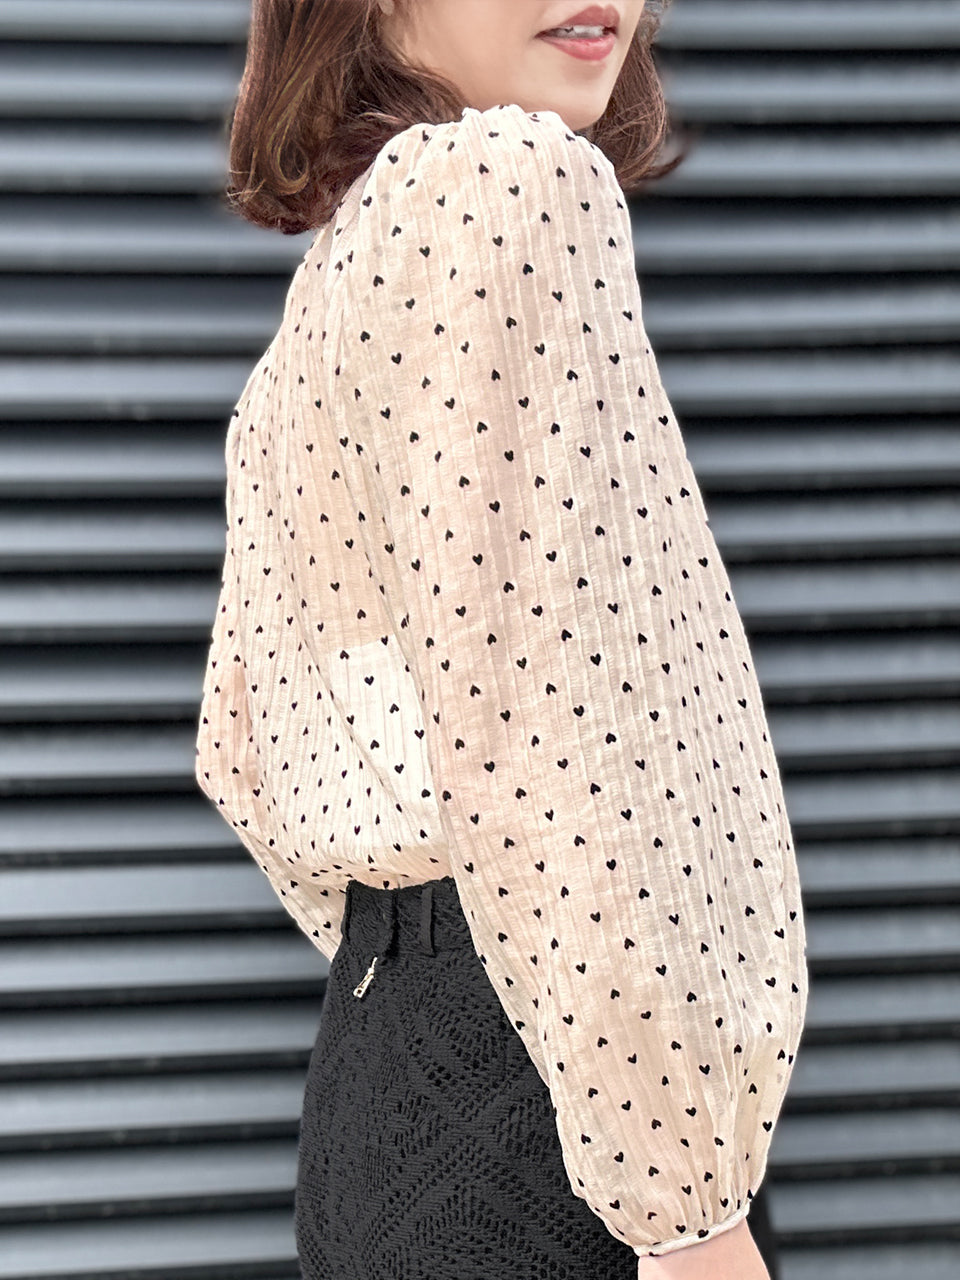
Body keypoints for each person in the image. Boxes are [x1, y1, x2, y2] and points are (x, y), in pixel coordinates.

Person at [195, 2, 809, 1277]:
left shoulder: (331, 290)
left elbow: (239, 752)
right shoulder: (511, 183)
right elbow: (559, 753)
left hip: (380, 1093)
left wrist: (427, 944)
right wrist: (688, 1207)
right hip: (552, 1127)